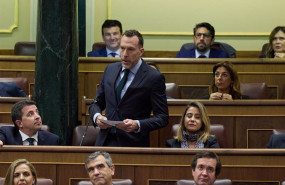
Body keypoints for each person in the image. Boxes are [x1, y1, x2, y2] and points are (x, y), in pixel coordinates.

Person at [89, 29, 169, 147]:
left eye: (130, 49)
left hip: (133, 143)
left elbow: (162, 118)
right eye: (122, 48)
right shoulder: (110, 70)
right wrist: (97, 117)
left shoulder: (153, 77)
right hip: (104, 141)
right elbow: (96, 103)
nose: (125, 54)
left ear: (141, 51)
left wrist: (137, 124)